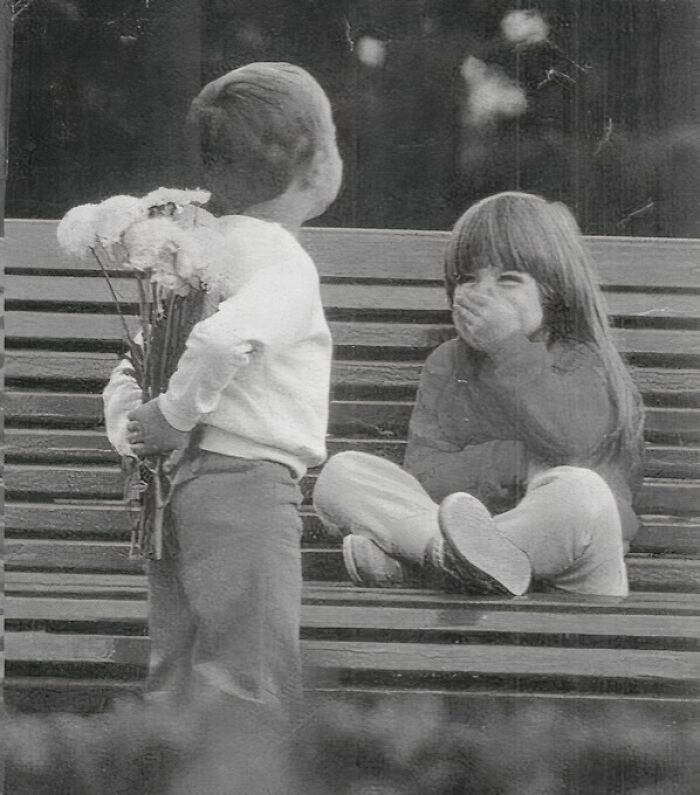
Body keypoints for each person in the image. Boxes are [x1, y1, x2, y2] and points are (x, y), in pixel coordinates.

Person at [103, 62, 343, 719]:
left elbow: (136, 363)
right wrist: (176, 414)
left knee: (176, 678)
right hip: (247, 489)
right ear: (317, 164)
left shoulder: (198, 251)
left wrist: (137, 425)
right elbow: (216, 344)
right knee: (249, 680)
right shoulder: (285, 265)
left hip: (173, 490)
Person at [313, 191, 644, 598]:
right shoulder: (448, 363)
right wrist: (512, 462)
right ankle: (450, 557)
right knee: (342, 474)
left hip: (572, 574)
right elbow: (426, 474)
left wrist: (507, 347)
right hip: (457, 536)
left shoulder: (581, 358)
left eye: (508, 280)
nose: (483, 293)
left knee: (583, 493)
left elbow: (573, 442)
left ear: (552, 292)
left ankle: (428, 564)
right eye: (468, 278)